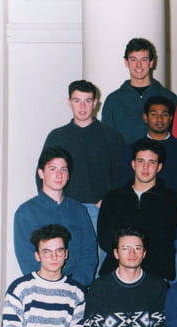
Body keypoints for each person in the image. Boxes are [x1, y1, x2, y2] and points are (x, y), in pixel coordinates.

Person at [36, 80, 124, 237]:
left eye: (87, 101)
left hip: (99, 211)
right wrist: (51, 204)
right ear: (69, 102)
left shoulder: (111, 136)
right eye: (77, 101)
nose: (82, 107)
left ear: (95, 103)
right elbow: (42, 174)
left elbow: (122, 174)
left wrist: (109, 201)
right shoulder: (57, 137)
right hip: (64, 209)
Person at [98, 138, 177, 282]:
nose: (145, 167)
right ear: (133, 164)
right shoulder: (113, 198)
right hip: (117, 272)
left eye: (151, 162)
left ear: (159, 167)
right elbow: (105, 239)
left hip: (157, 274)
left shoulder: (172, 200)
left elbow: (169, 238)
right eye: (140, 161)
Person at [16, 147, 97, 287]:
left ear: (69, 175)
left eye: (64, 169)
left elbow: (89, 254)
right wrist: (47, 286)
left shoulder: (79, 211)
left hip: (76, 287)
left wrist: (74, 286)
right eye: (52, 169)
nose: (59, 175)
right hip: (40, 288)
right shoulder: (26, 212)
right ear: (41, 173)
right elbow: (26, 258)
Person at [102, 37, 177, 145]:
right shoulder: (113, 100)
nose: (138, 65)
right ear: (126, 62)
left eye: (144, 59)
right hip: (125, 156)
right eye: (133, 60)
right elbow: (107, 141)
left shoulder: (169, 98)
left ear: (151, 63)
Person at [119, 96, 177, 200]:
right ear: (145, 117)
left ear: (171, 118)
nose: (159, 119)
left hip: (175, 207)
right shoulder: (132, 149)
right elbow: (125, 185)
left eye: (164, 115)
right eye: (154, 114)